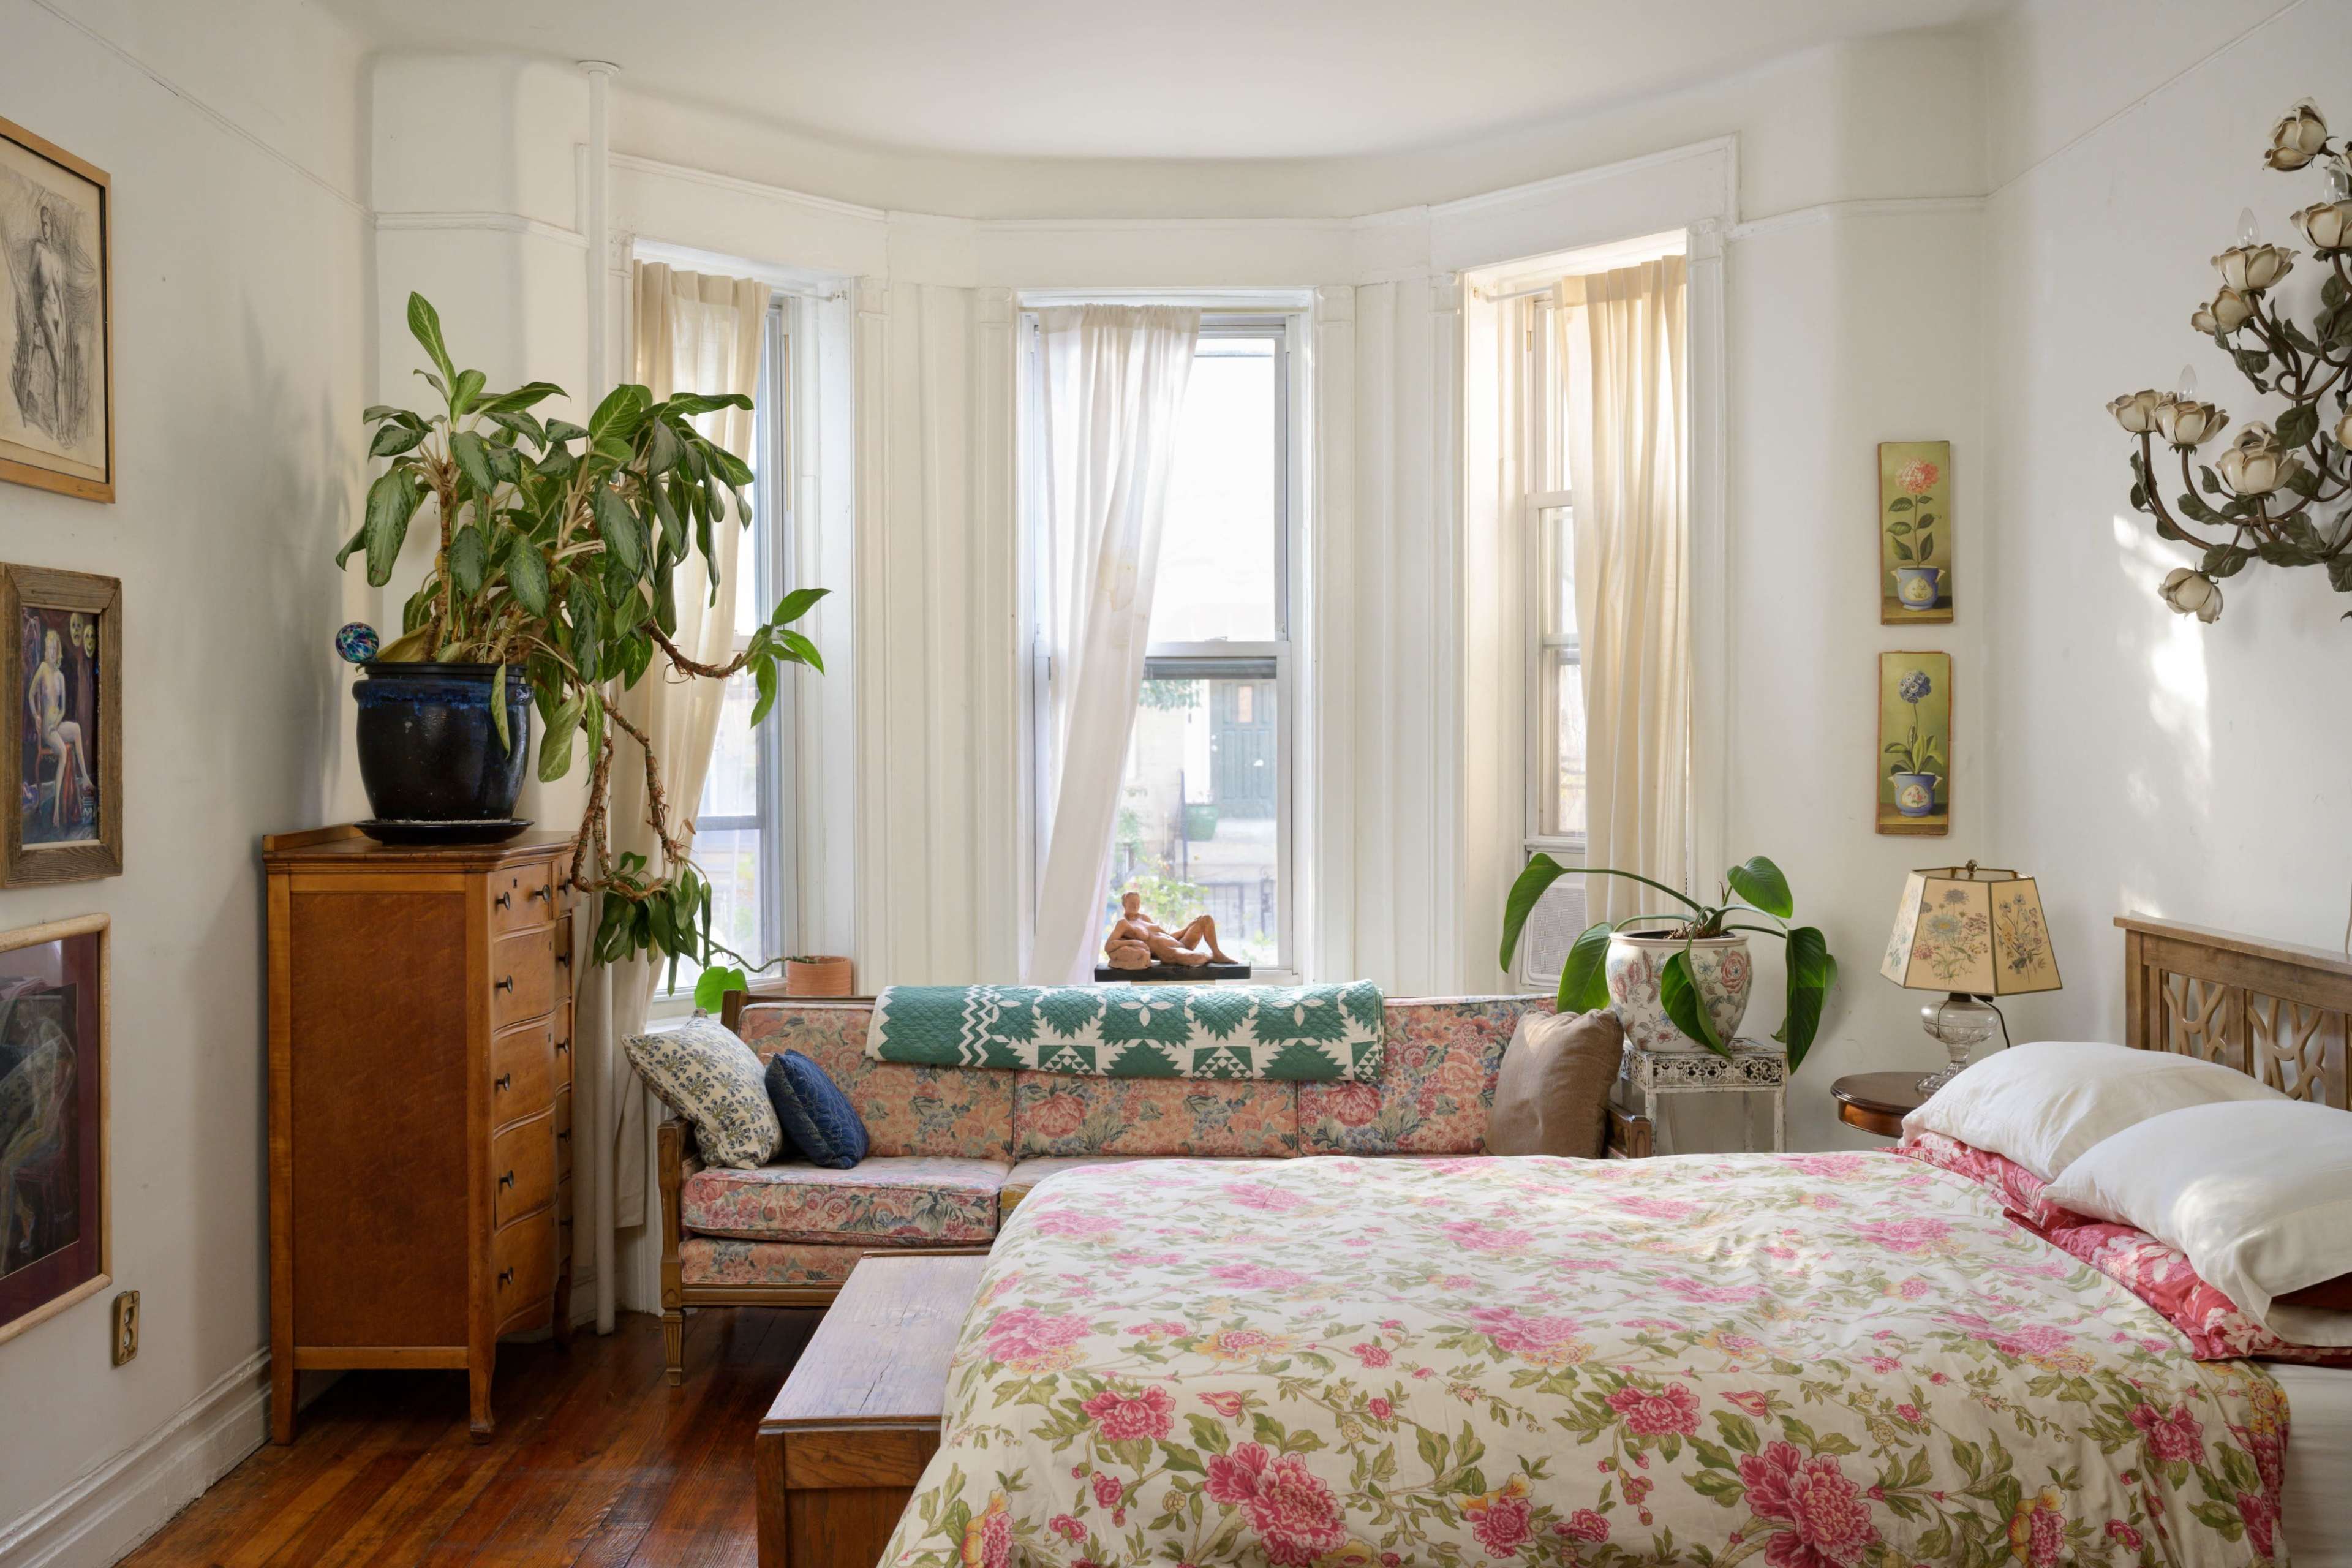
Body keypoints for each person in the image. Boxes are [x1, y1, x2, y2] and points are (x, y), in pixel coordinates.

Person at [28, 628, 91, 829]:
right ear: (46, 650)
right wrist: (36, 716)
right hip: (47, 730)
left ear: (58, 651)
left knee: (77, 729)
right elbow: (30, 695)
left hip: (57, 725)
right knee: (63, 752)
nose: (52, 652)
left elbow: (63, 709)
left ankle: (86, 778)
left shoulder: (61, 676)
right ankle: (56, 808)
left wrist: (58, 722)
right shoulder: (42, 669)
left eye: (55, 649)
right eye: (50, 648)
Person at [1102, 888, 1234, 970]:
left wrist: (1188, 927)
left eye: (1138, 903)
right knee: (1201, 958)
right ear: (1124, 904)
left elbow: (1167, 936)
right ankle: (1209, 956)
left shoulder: (1144, 918)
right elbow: (1109, 946)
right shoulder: (1123, 924)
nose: (1135, 906)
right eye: (1132, 903)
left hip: (1180, 944)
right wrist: (1133, 942)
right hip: (1171, 953)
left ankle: (1217, 954)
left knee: (1205, 919)